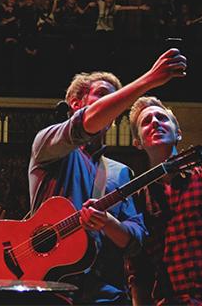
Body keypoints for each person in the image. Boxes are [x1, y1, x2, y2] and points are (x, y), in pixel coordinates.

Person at [28, 48, 187, 304]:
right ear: (76, 104)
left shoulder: (121, 172)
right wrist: (149, 79)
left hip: (106, 297)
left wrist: (108, 223)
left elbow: (136, 240)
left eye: (115, 102)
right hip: (50, 291)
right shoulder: (47, 144)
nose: (112, 106)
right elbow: (84, 125)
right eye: (102, 96)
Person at [127, 96, 202, 305]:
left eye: (162, 117)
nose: (155, 122)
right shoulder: (140, 197)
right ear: (138, 142)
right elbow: (139, 271)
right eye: (146, 121)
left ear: (178, 133)